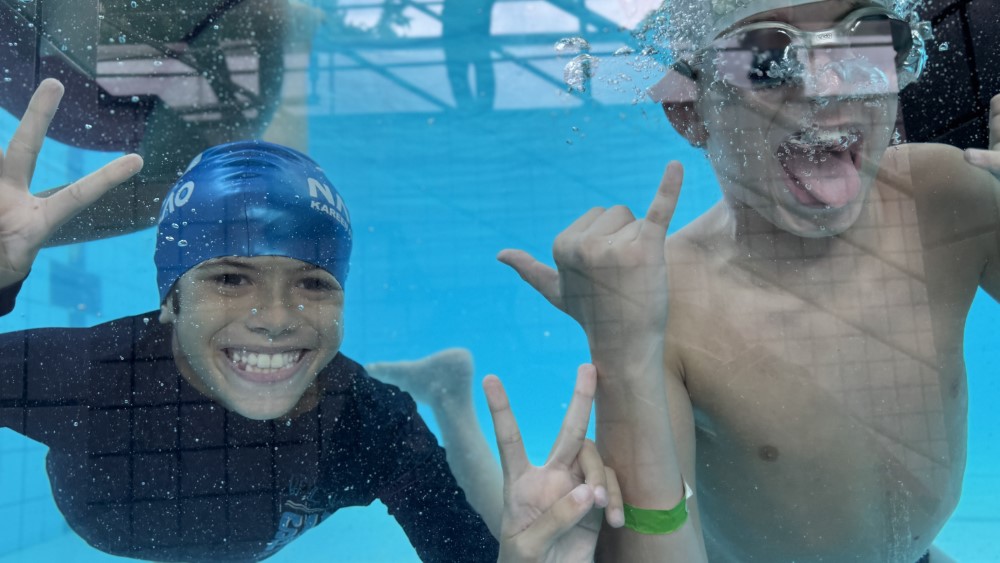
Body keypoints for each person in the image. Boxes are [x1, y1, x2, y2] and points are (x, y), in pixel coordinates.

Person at [405, 0, 1000, 561]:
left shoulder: (942, 197)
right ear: (689, 110)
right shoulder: (665, 300)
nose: (828, 86)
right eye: (767, 58)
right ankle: (451, 400)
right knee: (542, 525)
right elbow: (659, 541)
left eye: (866, 40)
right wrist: (625, 354)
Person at [0, 79, 626, 562]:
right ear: (171, 298)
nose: (275, 318)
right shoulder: (93, 375)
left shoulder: (365, 421)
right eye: (230, 279)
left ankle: (449, 393)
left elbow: (469, 551)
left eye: (314, 283)